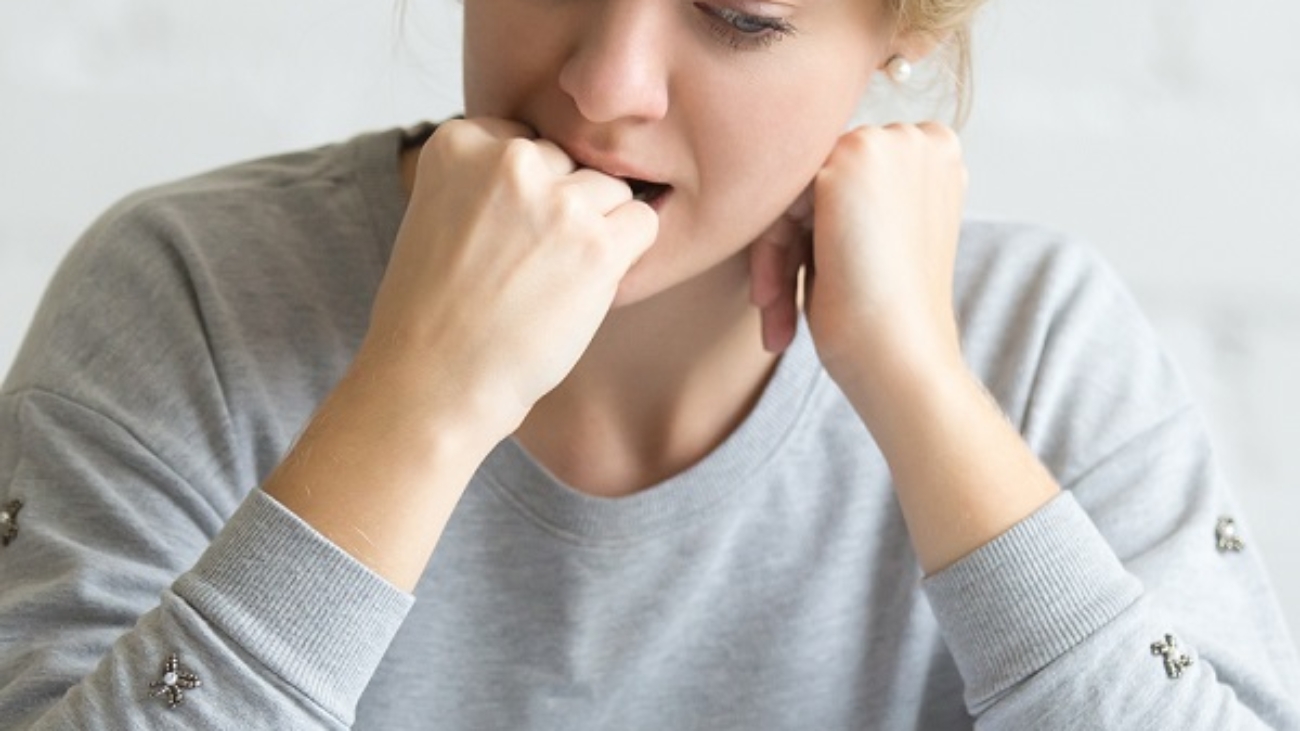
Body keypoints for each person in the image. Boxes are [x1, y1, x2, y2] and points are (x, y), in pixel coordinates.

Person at [1, 0, 1297, 727]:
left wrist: (919, 388)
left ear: (899, 30)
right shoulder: (194, 293)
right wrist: (418, 398)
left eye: (736, 15)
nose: (605, 84)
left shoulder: (1040, 339)